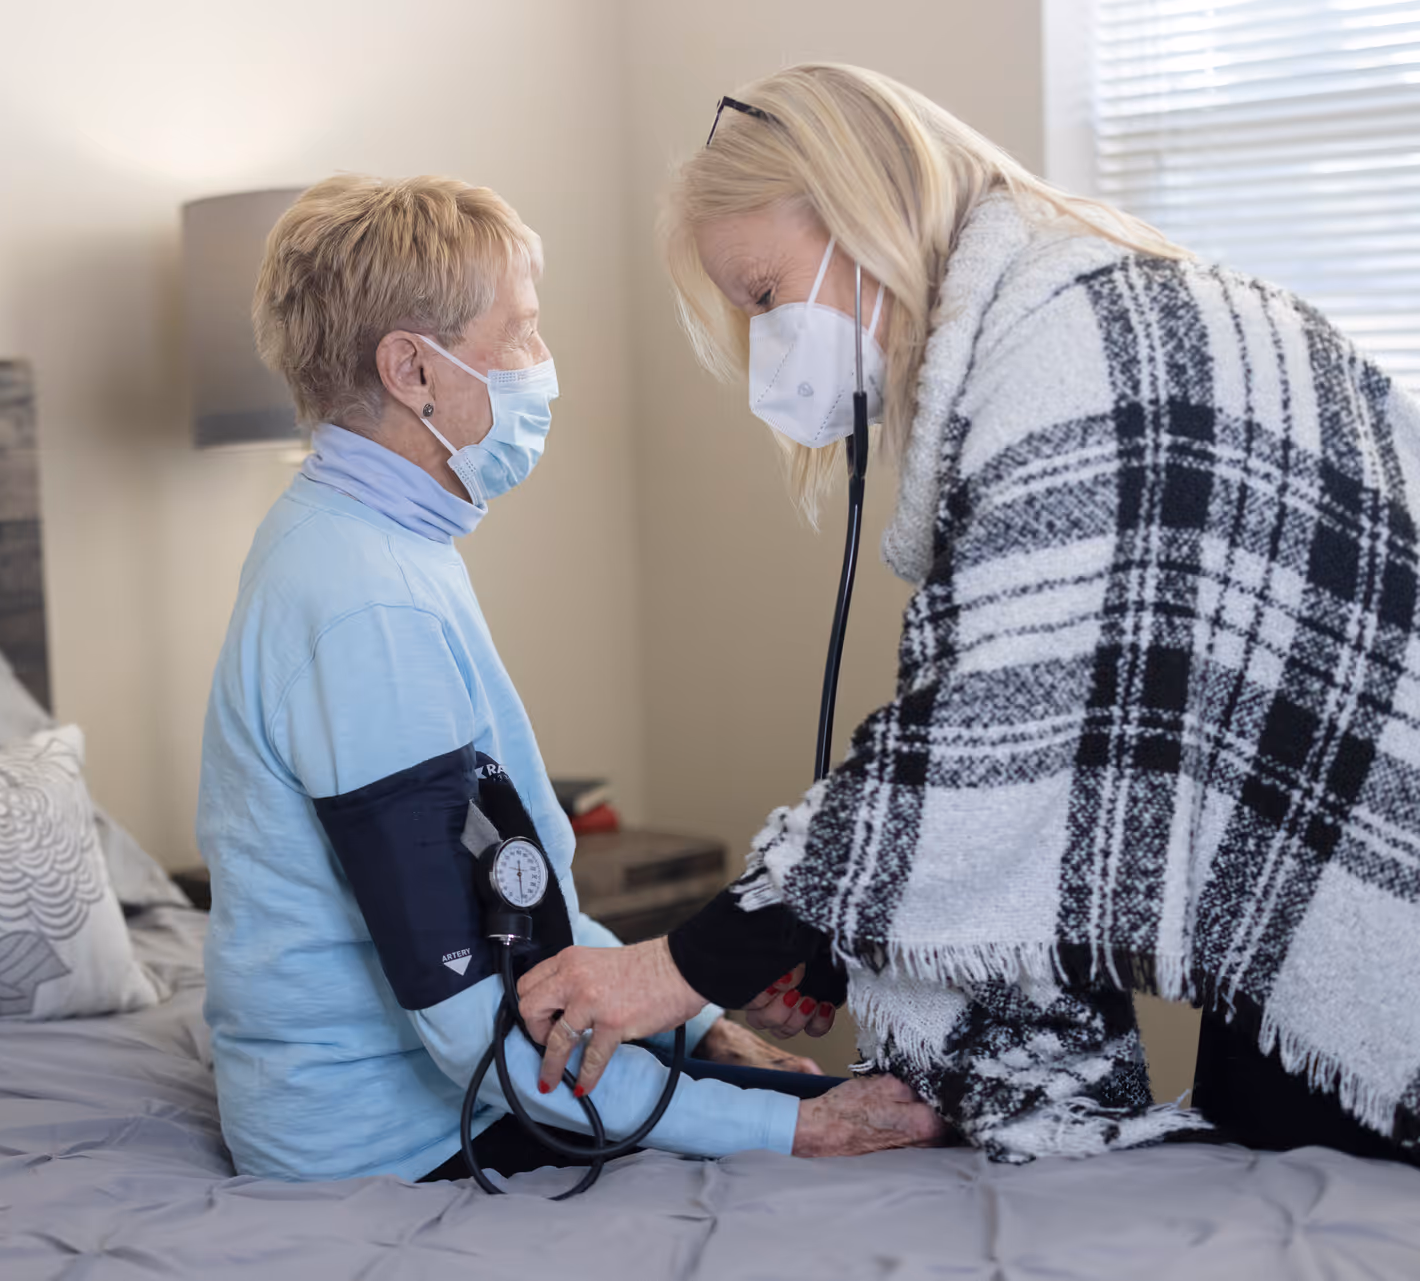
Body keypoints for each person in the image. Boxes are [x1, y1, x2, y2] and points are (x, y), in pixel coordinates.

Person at [517, 63, 1420, 1167]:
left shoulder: (1078, 349)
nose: (765, 347)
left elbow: (986, 740)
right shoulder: (1096, 310)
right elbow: (1081, 757)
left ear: (862, 208)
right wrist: (837, 937)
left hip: (1366, 887)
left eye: (763, 294)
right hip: (1316, 893)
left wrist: (684, 965)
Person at [196, 173, 944, 1184]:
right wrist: (785, 1129)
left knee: (892, 1120)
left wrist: (703, 1032)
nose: (544, 367)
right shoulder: (363, 603)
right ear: (414, 369)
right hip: (395, 1140)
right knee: (867, 1155)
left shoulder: (376, 541)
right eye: (525, 334)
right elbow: (466, 1028)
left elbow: (517, 899)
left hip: (476, 1075)